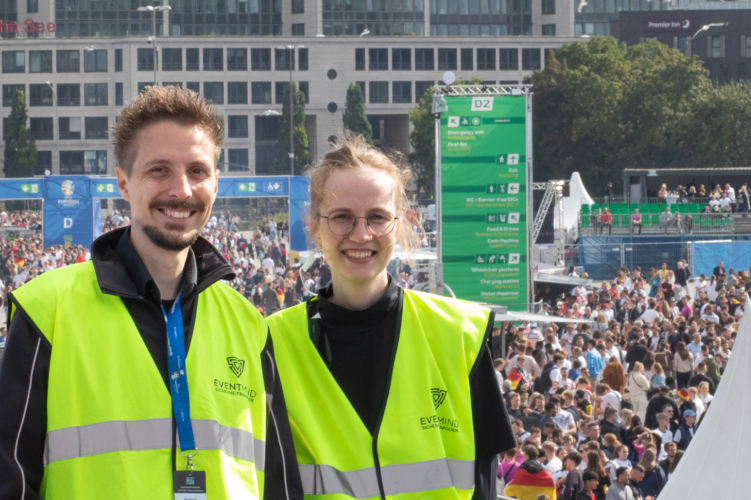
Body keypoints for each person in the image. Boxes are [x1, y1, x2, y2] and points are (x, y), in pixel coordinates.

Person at [0, 86, 303, 498]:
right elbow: (11, 476)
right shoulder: (47, 310)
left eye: (197, 171)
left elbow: (279, 482)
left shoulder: (248, 323)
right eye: (159, 170)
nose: (181, 190)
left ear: (216, 182)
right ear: (123, 183)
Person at [265, 134, 515, 499]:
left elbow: (484, 484)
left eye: (378, 217)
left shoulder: (461, 333)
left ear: (399, 225)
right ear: (315, 228)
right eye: (342, 217)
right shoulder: (272, 343)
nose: (362, 233)